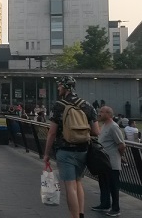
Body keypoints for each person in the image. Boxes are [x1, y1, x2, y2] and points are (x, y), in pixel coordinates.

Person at [43, 76, 99, 218]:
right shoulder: (87, 105)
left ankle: (73, 216)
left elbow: (52, 132)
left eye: (59, 86)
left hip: (65, 150)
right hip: (83, 149)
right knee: (78, 181)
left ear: (64, 87)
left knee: (70, 186)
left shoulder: (59, 105)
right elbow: (96, 131)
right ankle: (80, 214)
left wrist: (46, 153)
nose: (58, 88)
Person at [92, 106, 125, 216]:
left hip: (112, 162)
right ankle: (104, 204)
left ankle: (116, 208)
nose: (99, 113)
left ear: (109, 114)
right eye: (99, 111)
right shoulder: (104, 126)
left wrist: (120, 157)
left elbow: (121, 145)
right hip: (104, 162)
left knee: (113, 186)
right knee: (103, 184)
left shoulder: (114, 127)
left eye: (102, 112)